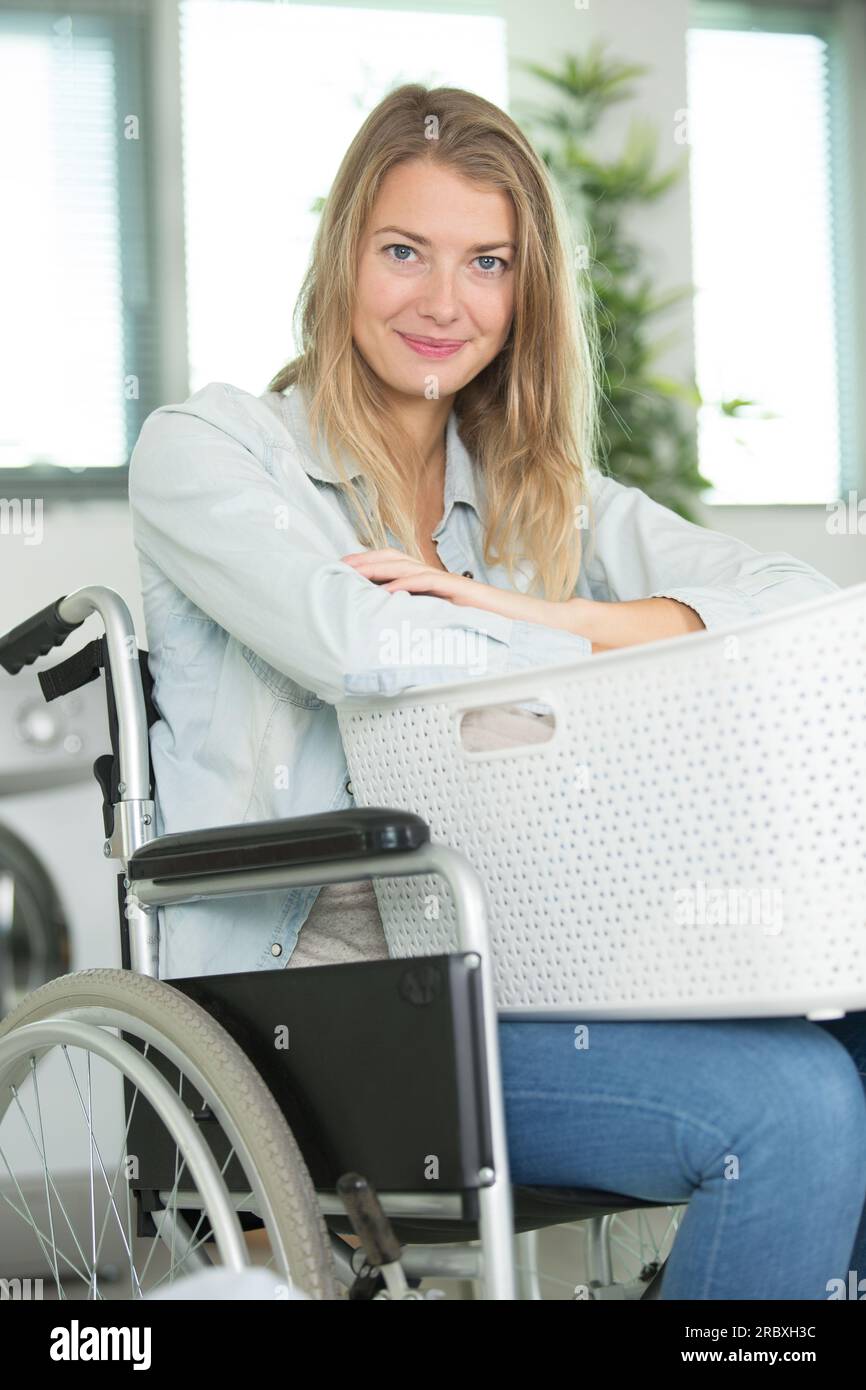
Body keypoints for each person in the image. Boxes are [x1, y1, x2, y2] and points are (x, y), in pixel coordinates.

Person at [128, 83, 866, 1299]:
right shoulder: (208, 451)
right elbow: (362, 644)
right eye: (403, 251)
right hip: (314, 1014)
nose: (442, 302)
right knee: (789, 1109)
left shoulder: (536, 497)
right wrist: (609, 647)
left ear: (524, 294)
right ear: (342, 257)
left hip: (526, 973)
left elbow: (796, 601)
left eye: (487, 263)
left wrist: (550, 612)